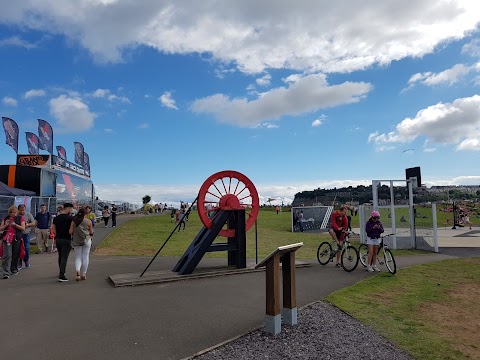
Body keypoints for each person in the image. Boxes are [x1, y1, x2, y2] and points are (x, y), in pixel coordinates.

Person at [1, 205, 26, 278]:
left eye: (15, 212)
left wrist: (15, 224)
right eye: (12, 212)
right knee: (7, 255)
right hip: (7, 238)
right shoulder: (6, 218)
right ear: (9, 213)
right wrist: (6, 225)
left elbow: (23, 228)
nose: (13, 214)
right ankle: (6, 272)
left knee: (16, 254)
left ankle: (14, 268)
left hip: (16, 238)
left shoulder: (20, 218)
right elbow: (1, 228)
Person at [69, 207, 93, 281]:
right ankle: (84, 274)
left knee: (78, 257)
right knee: (85, 257)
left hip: (77, 241)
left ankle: (78, 271)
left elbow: (70, 232)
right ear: (85, 214)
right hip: (86, 240)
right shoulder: (88, 221)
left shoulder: (74, 221)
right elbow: (91, 232)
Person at [51, 203, 74, 282]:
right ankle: (62, 274)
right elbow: (72, 230)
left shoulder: (56, 218)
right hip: (66, 239)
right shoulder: (70, 218)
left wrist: (57, 235)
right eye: (71, 209)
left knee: (60, 256)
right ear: (68, 208)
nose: (71, 211)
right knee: (64, 257)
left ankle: (60, 271)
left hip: (58, 239)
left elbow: (53, 229)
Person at [18, 204, 35, 269]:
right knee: (19, 249)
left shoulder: (28, 215)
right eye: (21, 210)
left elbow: (33, 223)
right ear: (18, 210)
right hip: (19, 235)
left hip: (26, 234)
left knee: (26, 248)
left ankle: (26, 260)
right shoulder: (17, 216)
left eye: (23, 210)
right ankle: (19, 263)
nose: (22, 212)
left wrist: (28, 224)